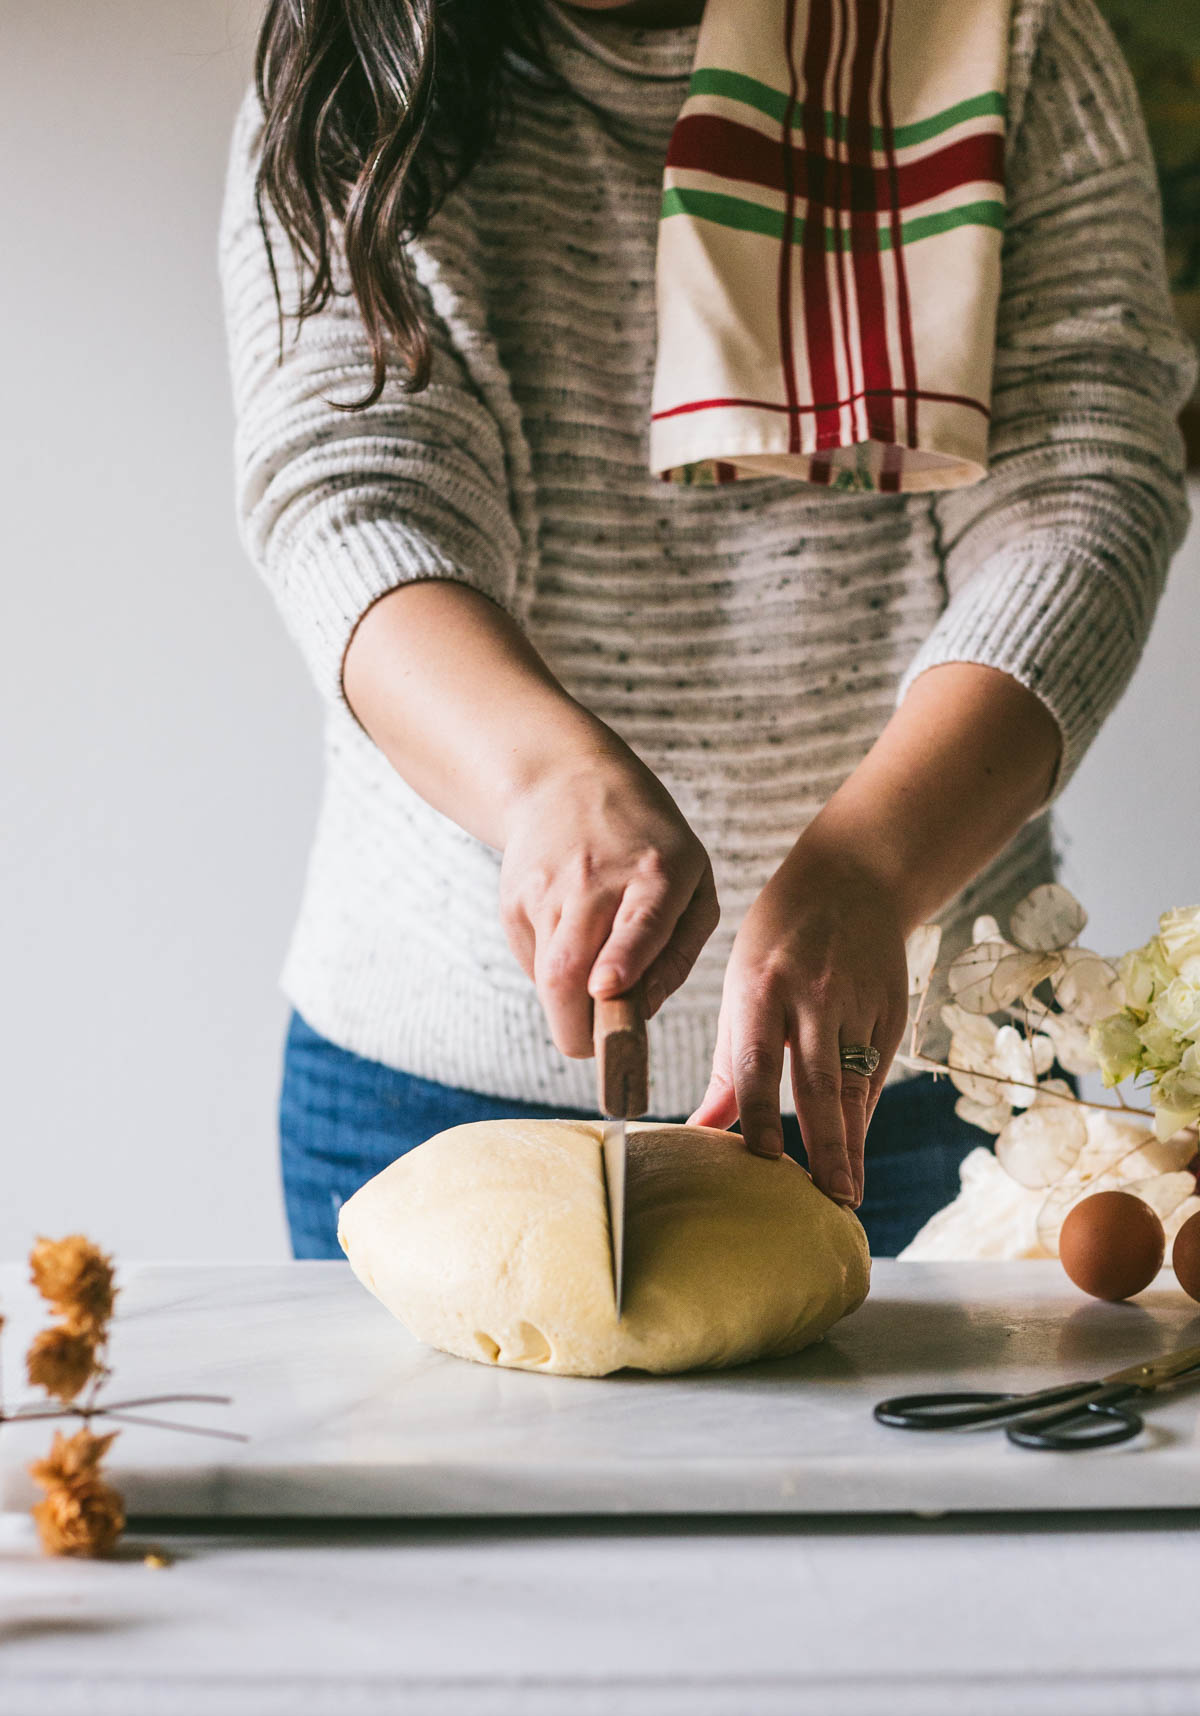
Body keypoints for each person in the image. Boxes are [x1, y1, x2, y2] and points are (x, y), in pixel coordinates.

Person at [219, 0, 1195, 1260]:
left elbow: (1085, 495)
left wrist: (872, 863)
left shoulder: (1012, 40)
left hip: (921, 1100)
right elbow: (351, 497)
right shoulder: (351, 76)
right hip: (428, 1090)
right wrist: (544, 783)